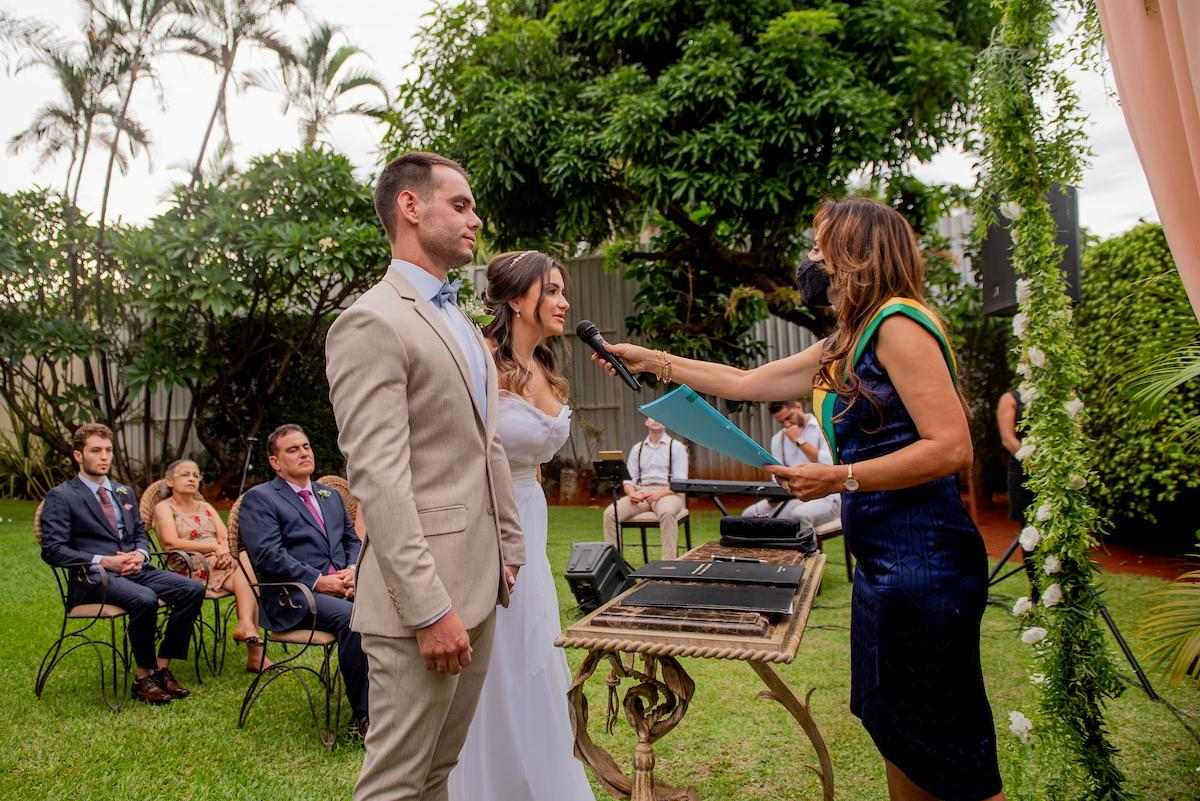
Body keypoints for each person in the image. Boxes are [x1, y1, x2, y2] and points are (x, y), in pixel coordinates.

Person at [592, 197, 1004, 801]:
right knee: (897, 728)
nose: (810, 260)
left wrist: (839, 477)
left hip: (925, 562)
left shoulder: (898, 324)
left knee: (950, 746)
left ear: (856, 254)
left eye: (820, 247)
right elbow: (743, 382)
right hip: (884, 562)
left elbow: (952, 447)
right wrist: (653, 360)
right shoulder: (846, 340)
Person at [324, 151, 524, 801]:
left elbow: (483, 445)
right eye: (461, 205)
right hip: (423, 602)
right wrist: (429, 606)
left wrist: (510, 548)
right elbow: (379, 478)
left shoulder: (456, 317)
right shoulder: (371, 321)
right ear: (412, 207)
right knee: (396, 782)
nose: (476, 219)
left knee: (439, 773)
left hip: (479, 582)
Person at [446, 251, 593, 801]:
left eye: (562, 291)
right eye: (550, 291)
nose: (563, 302)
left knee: (533, 647)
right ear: (514, 298)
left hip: (530, 511)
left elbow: (531, 461)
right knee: (497, 654)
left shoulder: (546, 367)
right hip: (485, 520)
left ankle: (541, 775)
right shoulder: (479, 360)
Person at [40, 423, 205, 705]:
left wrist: (140, 554)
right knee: (145, 599)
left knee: (192, 589)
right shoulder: (62, 496)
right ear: (78, 455)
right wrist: (106, 562)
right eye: (95, 451)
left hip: (135, 568)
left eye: (108, 450)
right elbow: (53, 550)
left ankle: (162, 667)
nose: (104, 457)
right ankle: (143, 678)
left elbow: (139, 532)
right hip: (94, 578)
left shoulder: (123, 492)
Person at [236, 425, 368, 732]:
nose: (304, 453)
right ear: (275, 462)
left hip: (341, 587)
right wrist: (319, 581)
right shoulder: (260, 499)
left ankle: (396, 703)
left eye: (306, 446)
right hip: (292, 598)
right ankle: (365, 718)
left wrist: (352, 570)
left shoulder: (330, 496)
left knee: (395, 606)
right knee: (357, 619)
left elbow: (352, 540)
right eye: (293, 450)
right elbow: (268, 555)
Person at [151, 459, 271, 672]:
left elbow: (226, 537)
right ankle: (255, 652)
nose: (192, 479)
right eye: (185, 474)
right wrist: (214, 549)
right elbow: (171, 542)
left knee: (245, 567)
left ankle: (247, 629)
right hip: (188, 567)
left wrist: (227, 552)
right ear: (170, 481)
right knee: (250, 574)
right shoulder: (164, 508)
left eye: (196, 475)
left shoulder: (205, 507)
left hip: (220, 562)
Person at [742, 399, 840, 527]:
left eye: (789, 417)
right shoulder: (778, 439)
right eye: (781, 422)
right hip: (792, 495)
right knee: (748, 515)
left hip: (826, 497)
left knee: (797, 516)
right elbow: (775, 474)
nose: (787, 424)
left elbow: (830, 464)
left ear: (798, 407)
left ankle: (807, 547)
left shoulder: (823, 429)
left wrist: (798, 440)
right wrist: (778, 494)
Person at [601, 417, 689, 559]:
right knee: (611, 513)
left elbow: (680, 482)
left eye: (661, 416)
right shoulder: (638, 448)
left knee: (667, 513)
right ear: (646, 422)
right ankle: (614, 564)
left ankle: (668, 566)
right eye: (652, 416)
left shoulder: (677, 447)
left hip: (668, 493)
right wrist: (632, 494)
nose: (657, 419)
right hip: (640, 493)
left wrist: (658, 495)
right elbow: (629, 479)